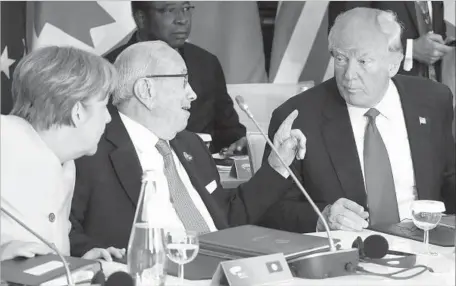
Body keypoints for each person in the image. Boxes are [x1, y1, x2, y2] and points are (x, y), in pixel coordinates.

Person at [69, 41, 306, 257]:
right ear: (146, 90)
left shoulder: (190, 144)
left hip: (225, 270)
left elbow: (228, 218)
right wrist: (94, 255)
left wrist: (277, 164)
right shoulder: (89, 150)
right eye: (183, 81)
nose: (192, 94)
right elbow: (61, 233)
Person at [259, 7, 455, 233]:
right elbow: (268, 208)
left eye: (363, 61)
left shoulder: (432, 100)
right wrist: (322, 217)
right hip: (347, 253)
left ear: (394, 64)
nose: (349, 74)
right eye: (341, 58)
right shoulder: (298, 116)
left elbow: (449, 179)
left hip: (428, 245)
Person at [0, 46, 125, 261]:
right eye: (104, 106)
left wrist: (75, 263)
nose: (108, 118)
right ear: (77, 112)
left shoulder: (66, 163)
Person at [105, 1, 247, 154]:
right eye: (170, 10)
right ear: (141, 18)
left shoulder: (206, 63)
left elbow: (228, 130)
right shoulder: (109, 69)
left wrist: (239, 142)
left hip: (200, 170)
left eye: (186, 9)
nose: (182, 19)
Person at [328, 1, 454, 83]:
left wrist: (444, 46)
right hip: (379, 98)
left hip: (432, 98)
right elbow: (344, 36)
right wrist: (409, 49)